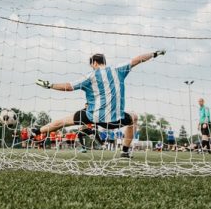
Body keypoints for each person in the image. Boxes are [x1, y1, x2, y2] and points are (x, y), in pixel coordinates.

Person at [33, 50, 166, 158]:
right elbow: (138, 59)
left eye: (91, 64)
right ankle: (125, 151)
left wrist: (50, 85)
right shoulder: (118, 69)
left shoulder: (89, 76)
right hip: (115, 120)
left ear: (94, 63)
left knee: (62, 122)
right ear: (104, 62)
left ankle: (37, 131)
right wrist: (154, 54)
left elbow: (68, 87)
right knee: (134, 118)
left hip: (92, 116)